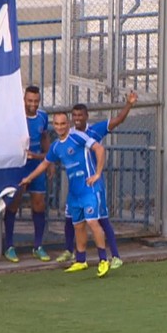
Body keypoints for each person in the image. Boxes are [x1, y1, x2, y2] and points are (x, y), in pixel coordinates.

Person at [20, 112, 110, 278]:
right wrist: (28, 178)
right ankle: (81, 260)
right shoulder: (55, 147)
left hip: (89, 188)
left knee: (92, 221)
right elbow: (45, 163)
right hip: (74, 193)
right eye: (57, 124)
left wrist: (97, 173)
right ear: (54, 125)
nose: (60, 127)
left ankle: (103, 260)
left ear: (68, 124)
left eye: (63, 124)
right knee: (78, 225)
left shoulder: (78, 137)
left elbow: (99, 148)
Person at [54, 91, 138, 269]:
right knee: (71, 218)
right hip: (77, 186)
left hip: (93, 184)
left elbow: (117, 121)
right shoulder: (68, 134)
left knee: (101, 220)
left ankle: (115, 255)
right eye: (74, 115)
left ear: (86, 116)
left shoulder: (94, 131)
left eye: (80, 115)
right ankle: (71, 251)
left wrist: (129, 104)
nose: (77, 118)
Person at [3, 85, 51, 263]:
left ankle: (38, 246)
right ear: (23, 100)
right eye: (30, 101)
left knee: (38, 204)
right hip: (19, 166)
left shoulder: (43, 117)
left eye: (36, 101)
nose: (33, 104)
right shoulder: (15, 117)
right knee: (13, 204)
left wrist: (49, 160)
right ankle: (9, 246)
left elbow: (45, 136)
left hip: (37, 166)